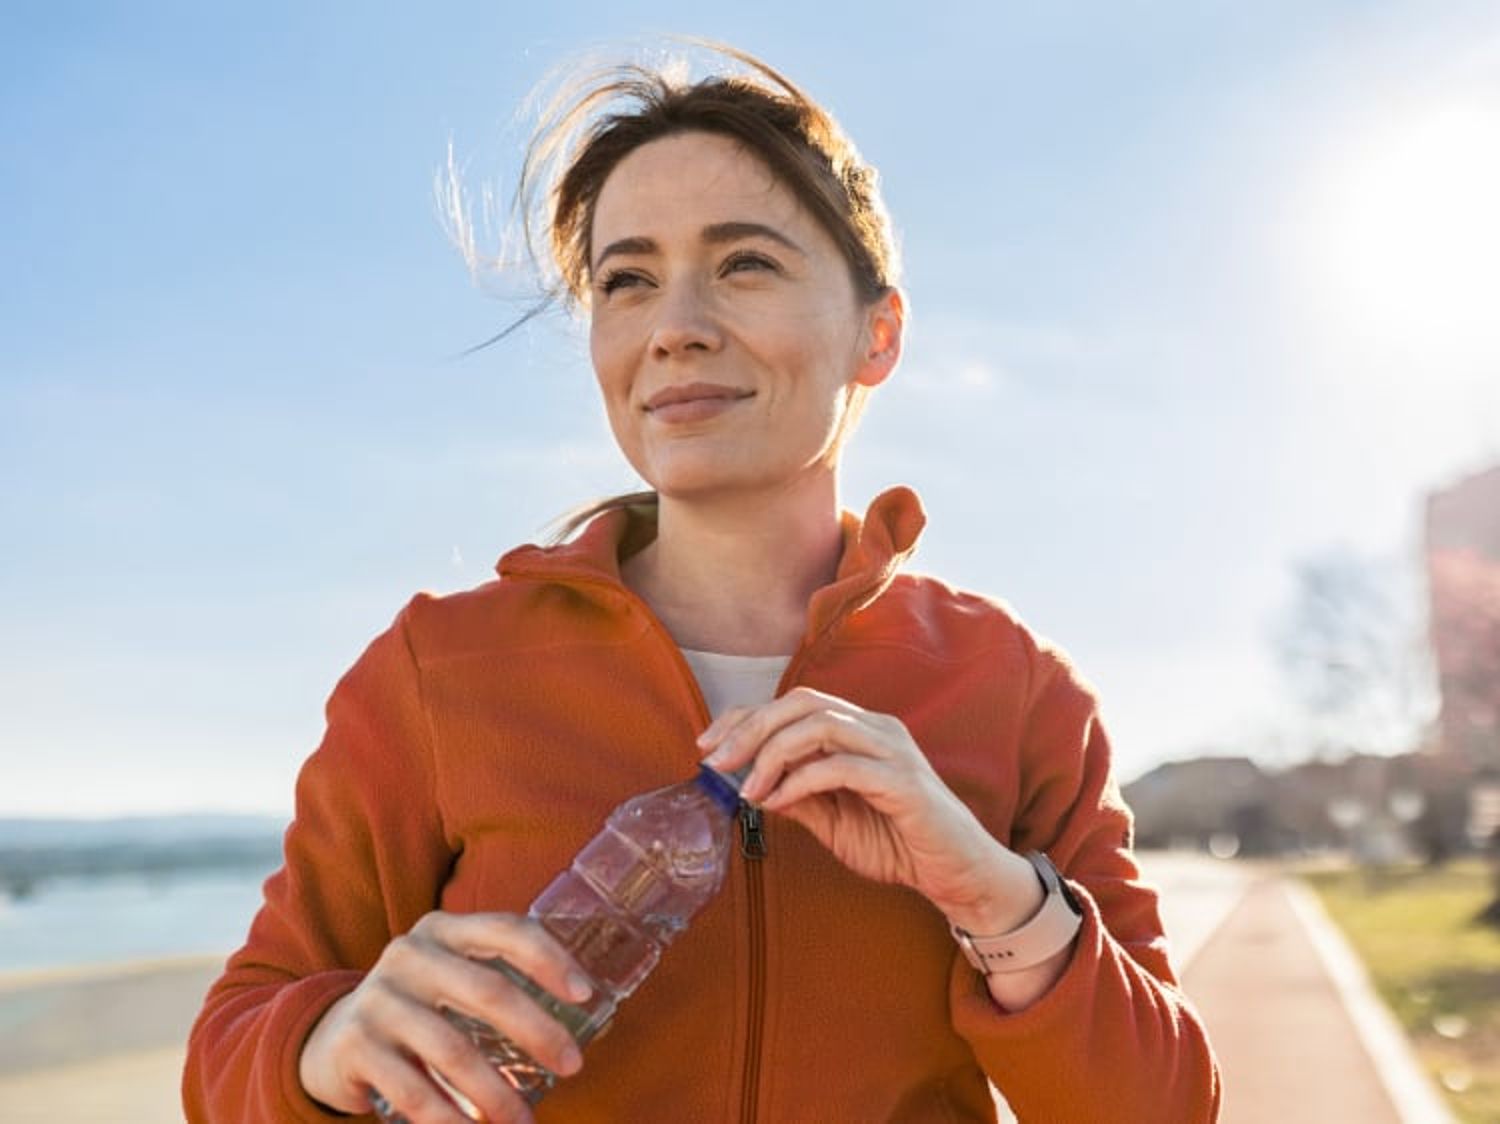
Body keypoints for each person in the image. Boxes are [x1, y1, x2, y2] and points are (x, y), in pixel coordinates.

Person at [183, 41, 1220, 1123]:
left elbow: (1165, 1104)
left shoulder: (1012, 687)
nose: (675, 329)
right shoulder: (439, 667)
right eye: (627, 280)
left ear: (879, 333)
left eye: (744, 264)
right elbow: (230, 1049)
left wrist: (993, 895)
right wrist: (319, 1047)